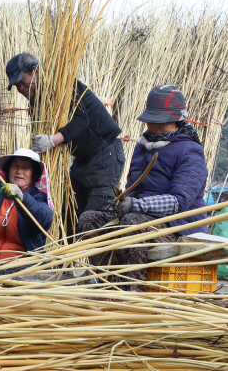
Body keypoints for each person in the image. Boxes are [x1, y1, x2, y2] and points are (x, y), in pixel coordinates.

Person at [77, 85, 207, 291]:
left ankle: (133, 290)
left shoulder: (191, 151)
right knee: (89, 219)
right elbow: (132, 189)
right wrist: (120, 204)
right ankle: (104, 283)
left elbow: (180, 201)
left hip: (177, 227)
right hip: (141, 217)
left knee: (131, 223)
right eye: (151, 119)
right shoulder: (143, 146)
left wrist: (136, 205)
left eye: (160, 120)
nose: (153, 125)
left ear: (176, 120)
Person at [6, 51, 124, 216]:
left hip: (105, 151)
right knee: (71, 211)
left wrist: (53, 140)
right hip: (81, 158)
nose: (20, 88)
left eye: (22, 81)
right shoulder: (35, 103)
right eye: (16, 86)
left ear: (36, 72)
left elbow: (82, 120)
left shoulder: (63, 86)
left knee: (96, 214)